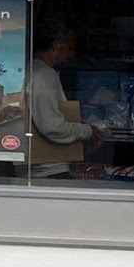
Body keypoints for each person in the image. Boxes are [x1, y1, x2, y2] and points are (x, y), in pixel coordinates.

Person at [29, 23, 104, 178]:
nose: (72, 53)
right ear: (56, 45)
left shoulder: (31, 70)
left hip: (39, 168)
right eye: (70, 47)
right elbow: (52, 127)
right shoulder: (44, 75)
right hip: (48, 168)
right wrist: (89, 131)